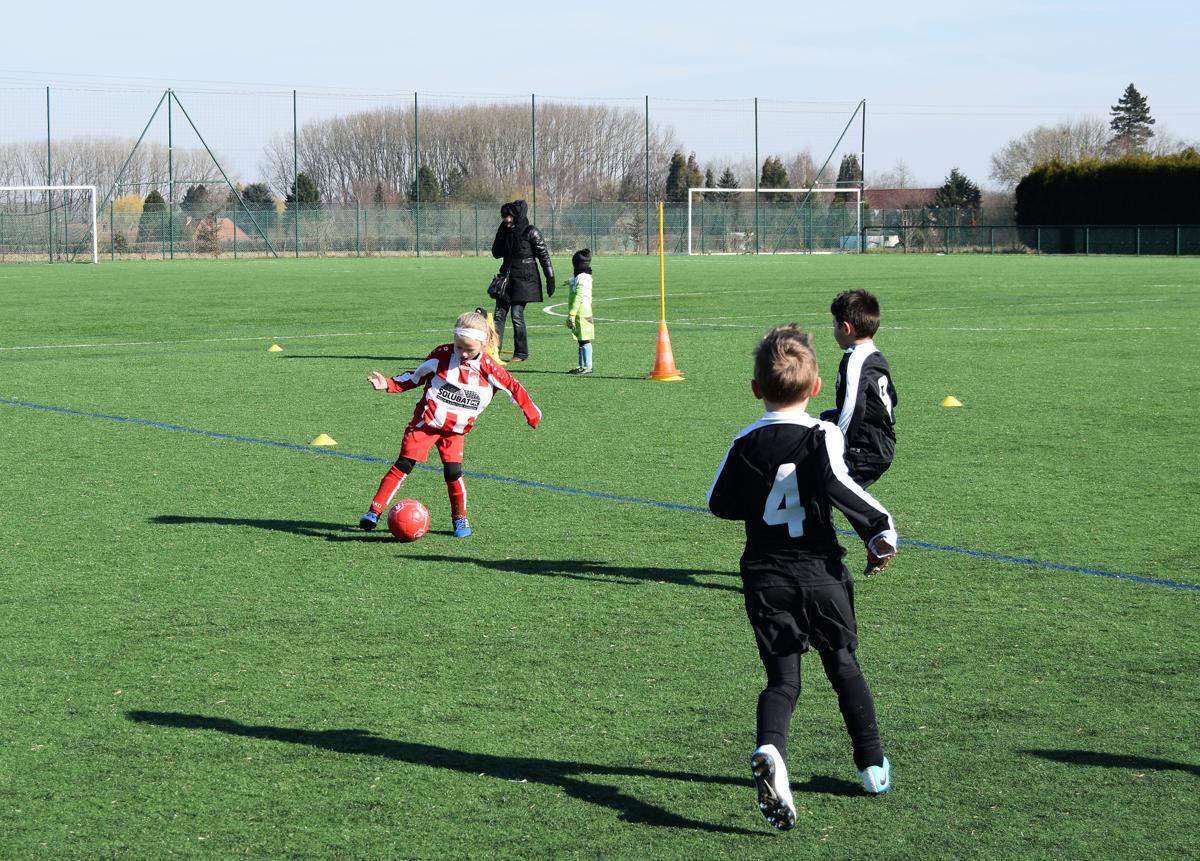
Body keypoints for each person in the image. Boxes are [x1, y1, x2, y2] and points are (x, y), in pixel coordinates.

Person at [707, 324, 898, 832]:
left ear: (755, 390)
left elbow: (718, 503)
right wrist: (879, 531)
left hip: (765, 575)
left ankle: (771, 748)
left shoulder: (745, 439)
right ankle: (872, 765)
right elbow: (840, 485)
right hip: (821, 572)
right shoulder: (823, 434)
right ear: (815, 388)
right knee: (843, 665)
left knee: (782, 680)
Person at [360, 310, 542, 538]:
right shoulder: (442, 355)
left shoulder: (490, 368)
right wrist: (388, 383)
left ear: (484, 345)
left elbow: (515, 388)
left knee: (453, 472)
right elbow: (416, 377)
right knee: (404, 463)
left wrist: (532, 413)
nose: (463, 354)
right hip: (425, 424)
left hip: (455, 432)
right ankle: (373, 512)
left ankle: (460, 518)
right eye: (459, 347)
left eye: (470, 349)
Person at [819, 289, 898, 487]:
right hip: (880, 442)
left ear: (846, 328)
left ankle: (876, 520)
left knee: (821, 487)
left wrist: (838, 446)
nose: (833, 331)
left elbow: (854, 408)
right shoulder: (875, 355)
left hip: (865, 450)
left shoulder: (856, 361)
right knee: (840, 495)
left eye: (834, 325)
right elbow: (891, 398)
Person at [490, 200, 555, 363]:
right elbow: (496, 253)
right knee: (499, 315)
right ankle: (493, 351)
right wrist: (500, 234)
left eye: (509, 217)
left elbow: (544, 256)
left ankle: (521, 353)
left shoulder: (531, 232)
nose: (507, 220)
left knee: (516, 315)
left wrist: (550, 279)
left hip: (524, 279)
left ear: (517, 216)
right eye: (504, 217)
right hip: (506, 278)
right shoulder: (504, 230)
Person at [565, 248, 595, 374]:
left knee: (584, 339)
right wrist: (571, 282)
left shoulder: (582, 278)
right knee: (580, 339)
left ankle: (588, 366)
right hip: (579, 311)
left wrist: (572, 314)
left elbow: (579, 296)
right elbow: (578, 281)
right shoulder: (583, 277)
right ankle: (581, 365)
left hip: (582, 312)